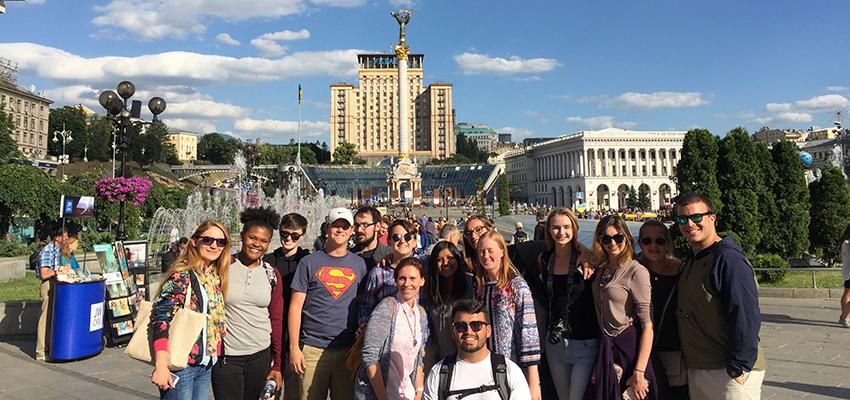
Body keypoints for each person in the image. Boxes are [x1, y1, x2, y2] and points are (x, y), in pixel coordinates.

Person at [674, 193, 766, 400]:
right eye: (682, 219)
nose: (689, 224)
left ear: (712, 218)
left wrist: (739, 367)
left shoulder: (728, 258)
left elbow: (745, 312)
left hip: (727, 371)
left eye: (696, 217)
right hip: (701, 367)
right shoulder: (693, 259)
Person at [289, 208, 367, 400]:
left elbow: (362, 305)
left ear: (351, 231)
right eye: (336, 225)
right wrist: (294, 348)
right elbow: (295, 306)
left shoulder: (360, 264)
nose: (340, 230)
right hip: (313, 348)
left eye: (345, 226)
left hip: (347, 350)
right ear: (327, 229)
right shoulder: (309, 262)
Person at [150, 220, 230, 400]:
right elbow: (161, 318)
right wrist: (161, 365)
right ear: (195, 241)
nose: (214, 245)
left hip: (205, 363)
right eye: (208, 240)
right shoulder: (182, 274)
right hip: (182, 364)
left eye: (220, 242)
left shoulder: (212, 276)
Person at [585, 214, 661, 400]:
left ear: (626, 237)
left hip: (629, 349)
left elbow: (647, 325)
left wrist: (639, 371)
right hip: (606, 347)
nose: (613, 243)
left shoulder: (636, 271)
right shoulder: (602, 269)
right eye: (606, 238)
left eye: (618, 237)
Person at [212, 208, 284, 399]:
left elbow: (276, 320)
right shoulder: (222, 267)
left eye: (263, 241)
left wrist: (277, 364)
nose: (257, 244)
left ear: (268, 244)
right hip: (227, 357)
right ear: (243, 236)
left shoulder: (271, 274)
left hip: (261, 355)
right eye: (252, 238)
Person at [527, 208, 599, 400]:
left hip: (585, 342)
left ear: (574, 229)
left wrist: (584, 251)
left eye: (566, 227)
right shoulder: (544, 259)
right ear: (548, 230)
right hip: (555, 343)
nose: (561, 233)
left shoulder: (587, 259)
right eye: (556, 228)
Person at [473, 230, 542, 400]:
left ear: (502, 252)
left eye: (490, 250)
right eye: (481, 251)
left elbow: (529, 333)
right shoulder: (478, 289)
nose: (485, 255)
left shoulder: (517, 286)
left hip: (512, 367)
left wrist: (533, 381)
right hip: (483, 369)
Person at [423, 299, 531, 400]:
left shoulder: (510, 371)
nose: (468, 331)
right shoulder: (438, 373)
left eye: (476, 325)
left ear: (488, 331)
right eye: (461, 326)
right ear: (453, 332)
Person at [356, 257, 429, 400]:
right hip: (381, 394)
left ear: (422, 281)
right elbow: (370, 356)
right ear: (396, 281)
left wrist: (419, 391)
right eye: (402, 278)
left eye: (413, 278)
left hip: (407, 392)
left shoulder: (420, 313)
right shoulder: (386, 308)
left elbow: (419, 356)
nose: (407, 283)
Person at [638, 220, 688, 399]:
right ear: (639, 243)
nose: (653, 246)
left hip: (673, 353)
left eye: (659, 241)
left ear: (668, 243)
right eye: (647, 241)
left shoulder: (682, 270)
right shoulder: (633, 269)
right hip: (638, 355)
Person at [263, 212, 311, 400]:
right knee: (268, 388)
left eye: (295, 236)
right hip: (270, 330)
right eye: (284, 234)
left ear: (303, 236)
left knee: (294, 389)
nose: (288, 239)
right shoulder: (267, 261)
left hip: (296, 333)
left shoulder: (308, 261)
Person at [423, 241, 474, 369]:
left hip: (466, 359)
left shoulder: (470, 285)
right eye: (439, 260)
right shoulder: (432, 289)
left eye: (450, 258)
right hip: (440, 359)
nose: (445, 263)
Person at [361, 219, 420, 325]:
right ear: (389, 242)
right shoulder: (378, 272)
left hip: (417, 334)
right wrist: (364, 325)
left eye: (407, 237)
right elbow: (367, 307)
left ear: (415, 242)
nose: (402, 241)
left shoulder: (424, 265)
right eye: (396, 237)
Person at [35, 225, 68, 361]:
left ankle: (50, 347)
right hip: (48, 285)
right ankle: (41, 351)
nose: (66, 238)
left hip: (56, 283)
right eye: (65, 236)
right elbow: (44, 273)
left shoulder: (59, 251)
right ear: (57, 237)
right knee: (46, 318)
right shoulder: (47, 251)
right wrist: (58, 271)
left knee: (52, 318)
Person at [352, 206, 393, 272]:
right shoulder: (349, 256)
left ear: (377, 226)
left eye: (365, 225)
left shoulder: (390, 256)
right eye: (357, 225)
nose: (359, 230)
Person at [840, 224, 850, 328]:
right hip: (849, 273)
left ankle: (845, 316)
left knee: (848, 294)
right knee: (847, 294)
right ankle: (844, 318)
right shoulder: (846, 243)